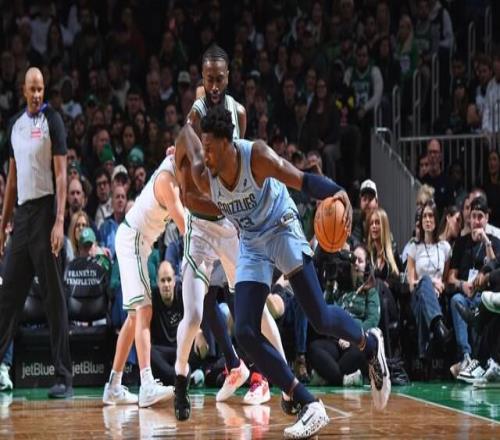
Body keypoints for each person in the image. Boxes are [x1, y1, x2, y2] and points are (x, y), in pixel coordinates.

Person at [177, 107, 390, 439]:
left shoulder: (257, 157)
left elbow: (301, 180)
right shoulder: (205, 175)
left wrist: (337, 190)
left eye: (211, 148)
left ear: (228, 143)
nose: (206, 155)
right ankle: (307, 402)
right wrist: (188, 126)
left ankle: (370, 343)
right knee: (245, 331)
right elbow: (187, 143)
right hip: (251, 241)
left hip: (281, 226)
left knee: (320, 318)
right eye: (203, 148)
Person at [173, 44, 289, 421]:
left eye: (219, 79)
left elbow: (241, 168)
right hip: (200, 228)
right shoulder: (192, 122)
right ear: (201, 78)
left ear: (228, 77)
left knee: (254, 306)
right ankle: (180, 381)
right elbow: (193, 190)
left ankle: (283, 379)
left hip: (231, 224)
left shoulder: (239, 112)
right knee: (194, 314)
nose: (214, 85)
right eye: (208, 79)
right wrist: (224, 198)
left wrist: (239, 204)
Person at [0, 67, 73, 398]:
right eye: (32, 89)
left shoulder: (52, 121)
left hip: (45, 212)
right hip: (22, 216)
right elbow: (11, 182)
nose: (37, 94)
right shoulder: (14, 125)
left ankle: (64, 378)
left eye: (41, 88)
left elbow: (61, 175)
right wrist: (3, 227)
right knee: (8, 298)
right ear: (23, 90)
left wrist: (59, 221)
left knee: (53, 297)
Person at [102, 154, 185, 408]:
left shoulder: (174, 167)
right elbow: (185, 226)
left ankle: (113, 386)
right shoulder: (167, 181)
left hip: (135, 241)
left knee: (133, 318)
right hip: (134, 240)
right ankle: (147, 383)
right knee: (144, 311)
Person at [406, 200, 451, 358]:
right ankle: (438, 325)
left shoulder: (445, 248)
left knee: (424, 303)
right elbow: (411, 284)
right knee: (425, 280)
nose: (427, 219)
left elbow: (445, 280)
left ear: (436, 219)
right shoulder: (414, 248)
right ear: (420, 221)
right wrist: (431, 282)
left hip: (437, 298)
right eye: (424, 216)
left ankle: (423, 350)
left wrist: (441, 285)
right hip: (418, 296)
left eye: (431, 216)